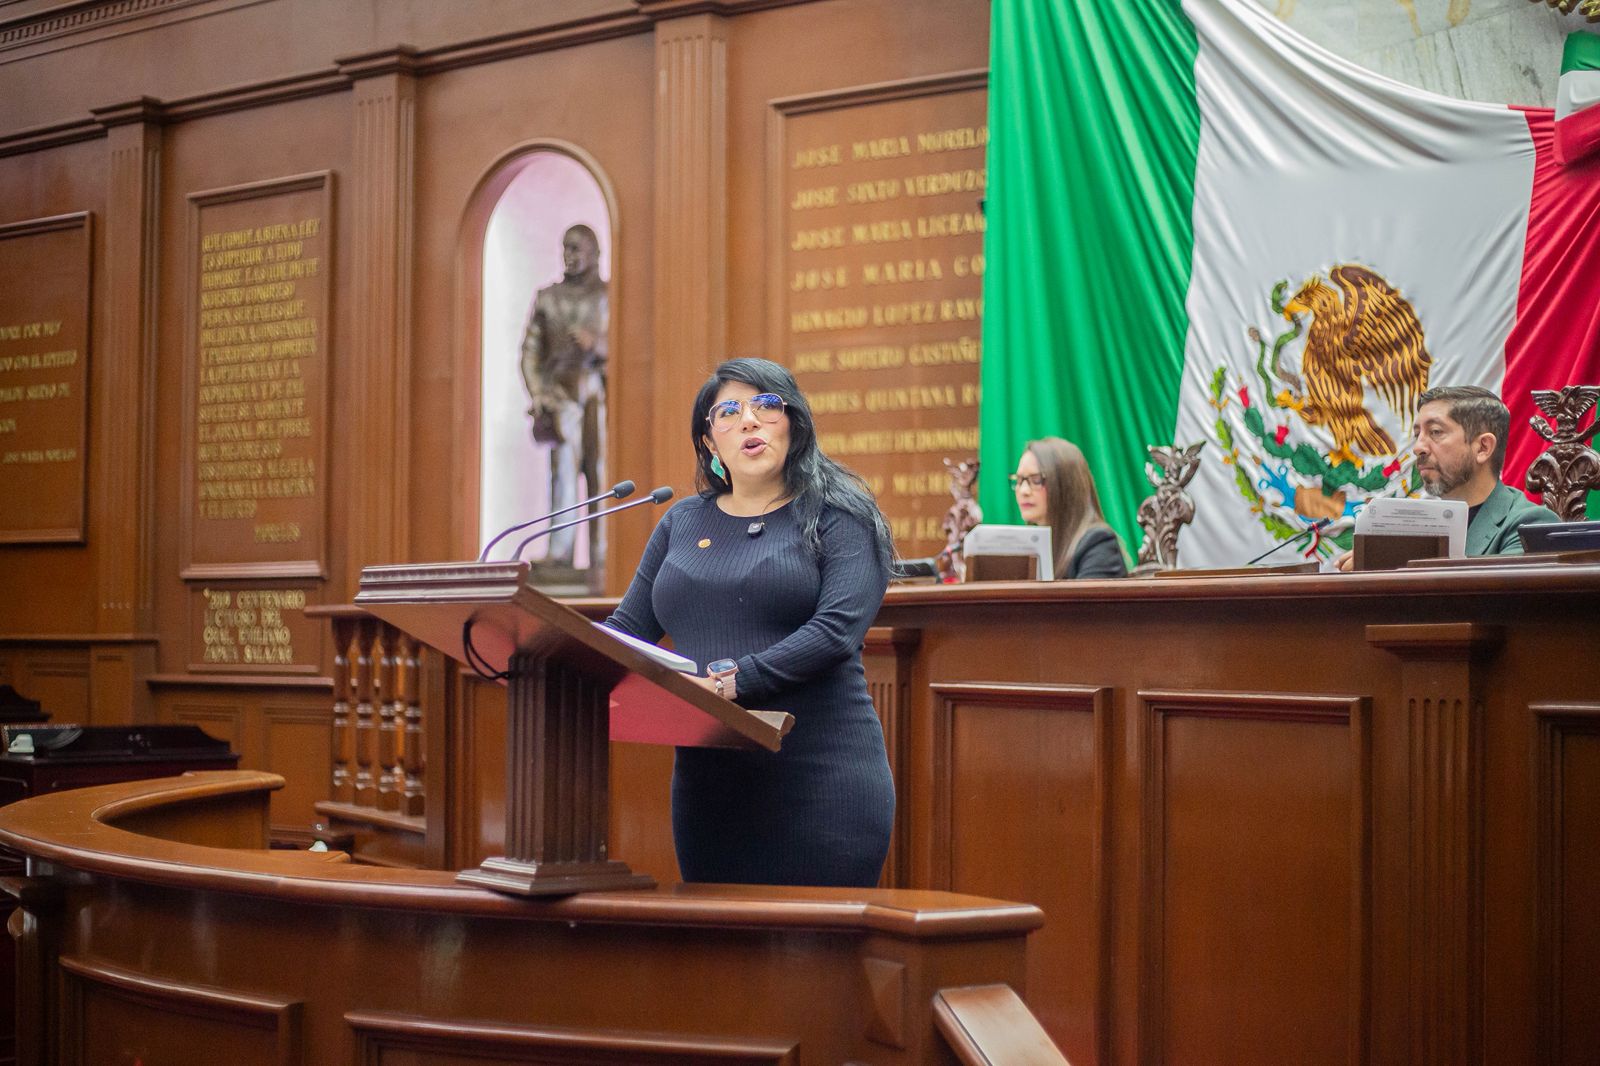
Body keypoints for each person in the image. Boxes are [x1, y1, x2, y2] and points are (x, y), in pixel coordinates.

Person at [603, 357, 896, 887]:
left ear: (794, 424)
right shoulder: (682, 521)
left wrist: (727, 684)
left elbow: (834, 633)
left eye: (766, 405)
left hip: (820, 778)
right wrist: (554, 652)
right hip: (709, 786)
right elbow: (627, 629)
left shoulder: (841, 515)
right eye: (728, 412)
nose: (749, 420)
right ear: (710, 443)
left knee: (814, 940)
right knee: (719, 937)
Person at [1336, 384, 1559, 569]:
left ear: (1483, 447)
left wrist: (1385, 567)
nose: (1418, 447)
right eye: (1417, 434)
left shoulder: (1530, 526)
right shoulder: (1405, 528)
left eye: (1435, 432)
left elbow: (1493, 600)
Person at [520, 224, 608, 571]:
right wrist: (538, 392)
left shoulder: (611, 295)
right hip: (561, 394)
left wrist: (596, 344)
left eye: (576, 249)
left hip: (598, 394)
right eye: (565, 248)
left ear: (594, 253)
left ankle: (603, 551)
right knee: (563, 473)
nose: (569, 256)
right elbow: (530, 352)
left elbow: (631, 346)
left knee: (601, 472)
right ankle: (561, 551)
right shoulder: (548, 298)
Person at [1011, 437, 1128, 579]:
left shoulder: (1098, 544)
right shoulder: (1031, 547)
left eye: (1036, 480)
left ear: (1066, 486)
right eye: (1019, 480)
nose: (1023, 490)